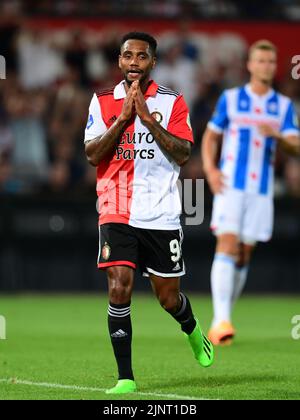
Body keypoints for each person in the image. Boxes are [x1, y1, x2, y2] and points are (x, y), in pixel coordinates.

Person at [84, 32, 214, 394]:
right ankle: (125, 377)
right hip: (116, 206)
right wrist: (123, 120)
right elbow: (93, 154)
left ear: (153, 62)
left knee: (168, 298)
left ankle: (191, 328)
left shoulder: (172, 103)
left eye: (142, 56)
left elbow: (183, 153)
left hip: (160, 212)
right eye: (128, 56)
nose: (134, 62)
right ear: (119, 61)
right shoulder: (102, 101)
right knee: (118, 287)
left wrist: (146, 119)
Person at [202, 40, 300, 346]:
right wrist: (211, 170)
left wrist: (279, 137)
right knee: (227, 244)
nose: (266, 66)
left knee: (243, 255)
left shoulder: (283, 106)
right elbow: (210, 136)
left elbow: (296, 145)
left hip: (261, 189)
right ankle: (220, 321)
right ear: (249, 64)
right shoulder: (231, 99)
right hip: (231, 184)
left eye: (271, 62)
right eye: (260, 61)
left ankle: (225, 316)